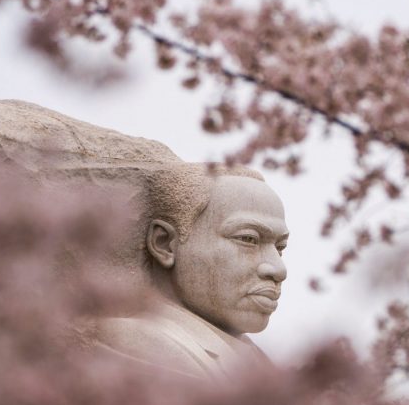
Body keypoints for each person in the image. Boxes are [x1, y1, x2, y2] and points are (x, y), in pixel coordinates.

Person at [93, 163, 289, 381]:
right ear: (165, 244)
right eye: (248, 239)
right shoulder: (141, 342)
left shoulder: (257, 361)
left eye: (280, 248)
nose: (278, 269)